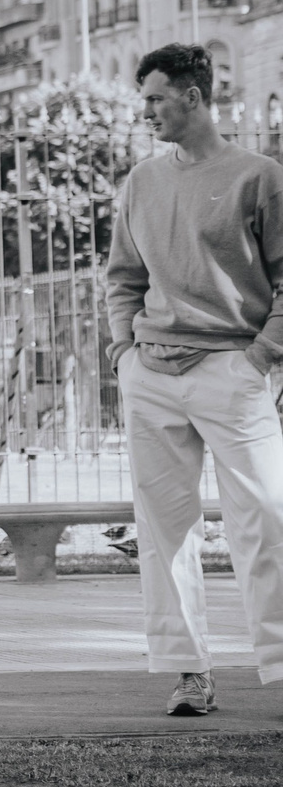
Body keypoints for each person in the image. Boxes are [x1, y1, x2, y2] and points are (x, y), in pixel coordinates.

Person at [103, 42, 283, 713]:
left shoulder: (259, 176)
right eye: (144, 98)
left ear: (193, 97)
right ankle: (189, 674)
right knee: (164, 529)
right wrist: (123, 350)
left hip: (233, 368)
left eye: (155, 97)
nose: (146, 110)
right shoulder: (143, 181)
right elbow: (122, 276)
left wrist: (263, 355)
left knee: (264, 517)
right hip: (151, 372)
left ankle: (279, 664)